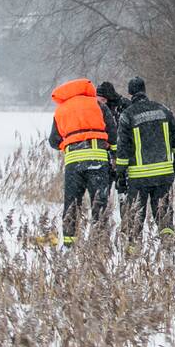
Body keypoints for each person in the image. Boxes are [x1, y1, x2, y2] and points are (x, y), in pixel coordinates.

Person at [48, 78, 117, 247]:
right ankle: (100, 244)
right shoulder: (98, 105)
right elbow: (113, 133)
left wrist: (70, 141)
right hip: (98, 160)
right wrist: (113, 153)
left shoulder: (61, 110)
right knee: (99, 203)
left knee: (72, 204)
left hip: (74, 162)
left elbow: (53, 141)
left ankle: (69, 244)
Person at [115, 77, 175, 238]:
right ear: (145, 91)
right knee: (164, 213)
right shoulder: (163, 110)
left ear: (130, 93)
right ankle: (168, 245)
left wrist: (120, 174)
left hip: (139, 177)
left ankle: (133, 251)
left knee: (135, 216)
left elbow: (123, 147)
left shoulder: (127, 115)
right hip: (164, 174)